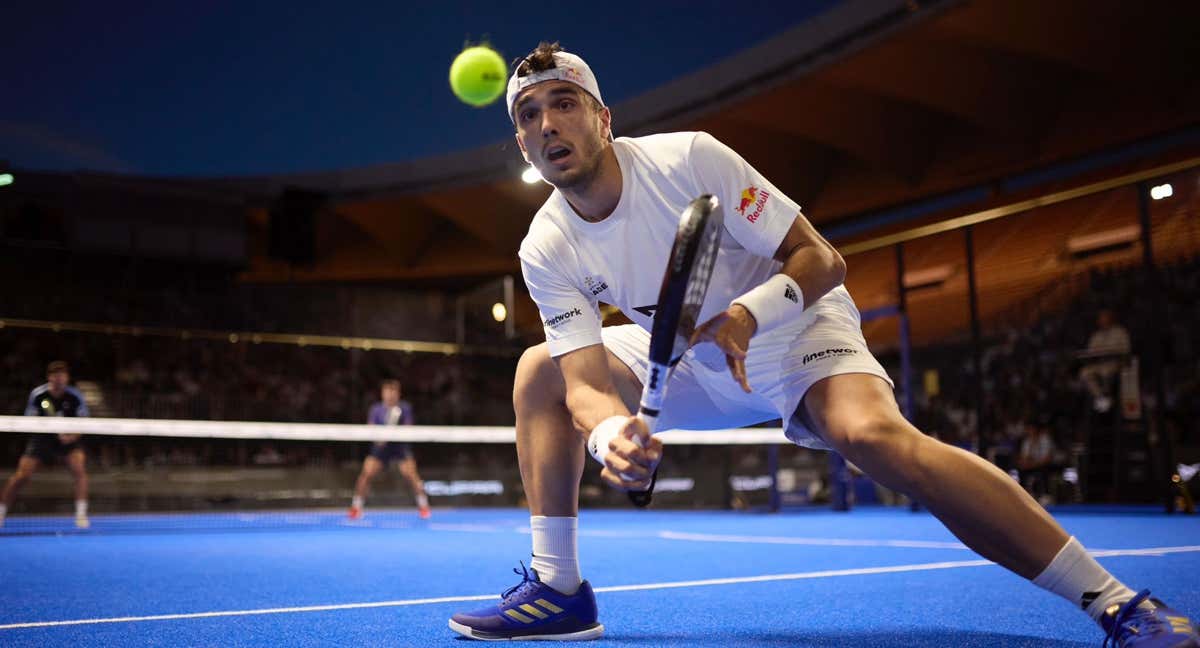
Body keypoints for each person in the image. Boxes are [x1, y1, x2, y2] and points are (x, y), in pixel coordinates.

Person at [447, 42, 1199, 645]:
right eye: (531, 114)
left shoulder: (690, 160)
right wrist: (611, 433)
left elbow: (821, 258)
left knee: (875, 438)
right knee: (536, 369)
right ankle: (559, 589)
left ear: (603, 118)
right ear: (520, 140)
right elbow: (580, 378)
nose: (549, 124)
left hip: (792, 325)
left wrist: (745, 316)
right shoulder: (544, 244)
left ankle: (1115, 603)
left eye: (564, 103)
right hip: (687, 362)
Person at [0, 361, 91, 529]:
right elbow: (29, 421)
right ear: (49, 377)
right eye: (56, 376)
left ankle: (81, 515)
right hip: (42, 439)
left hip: (69, 440)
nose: (59, 379)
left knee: (79, 470)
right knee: (22, 475)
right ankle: (1, 512)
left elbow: (85, 422)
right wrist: (48, 429)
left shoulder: (75, 396)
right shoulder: (38, 395)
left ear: (67, 378)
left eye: (63, 375)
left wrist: (71, 437)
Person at [348, 380, 430, 520]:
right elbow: (371, 427)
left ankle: (424, 507)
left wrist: (394, 432)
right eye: (387, 391)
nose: (390, 395)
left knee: (412, 475)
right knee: (366, 475)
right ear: (383, 393)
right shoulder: (376, 409)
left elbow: (409, 428)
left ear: (398, 394)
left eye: (393, 392)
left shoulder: (405, 408)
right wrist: (379, 437)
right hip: (381, 449)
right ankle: (356, 507)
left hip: (400, 447)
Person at [1079, 308, 1132, 413]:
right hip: (1099, 364)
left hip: (1116, 364)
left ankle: (1106, 396)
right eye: (1100, 319)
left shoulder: (1120, 332)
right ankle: (1102, 397)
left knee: (1105, 372)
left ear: (1110, 319)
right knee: (1084, 373)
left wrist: (1112, 351)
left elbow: (1126, 350)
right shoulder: (1096, 336)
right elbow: (1090, 352)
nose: (1102, 321)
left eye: (1104, 318)